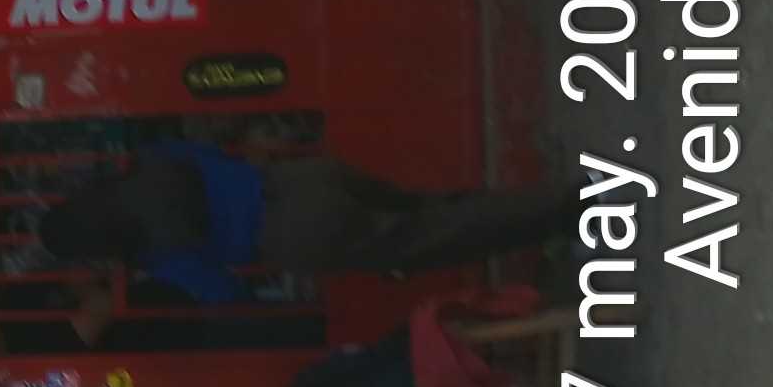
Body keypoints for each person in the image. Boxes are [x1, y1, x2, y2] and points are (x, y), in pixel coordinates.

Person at [39, 139, 568, 310]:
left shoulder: (154, 252)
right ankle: (544, 209)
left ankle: (565, 206)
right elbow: (210, 152)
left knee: (442, 235)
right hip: (304, 177)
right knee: (431, 211)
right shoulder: (149, 161)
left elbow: (223, 293)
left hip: (298, 234)